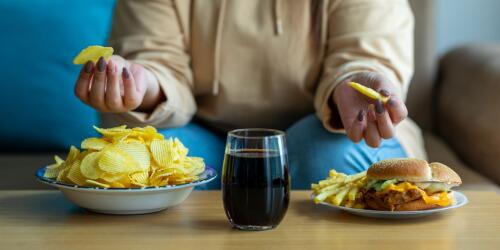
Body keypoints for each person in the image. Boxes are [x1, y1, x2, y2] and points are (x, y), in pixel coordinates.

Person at [74, 0, 426, 189]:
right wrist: (141, 85)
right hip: (206, 133)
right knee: (156, 162)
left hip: (325, 130)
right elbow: (157, 59)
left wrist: (354, 84)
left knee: (320, 155)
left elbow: (366, 51)